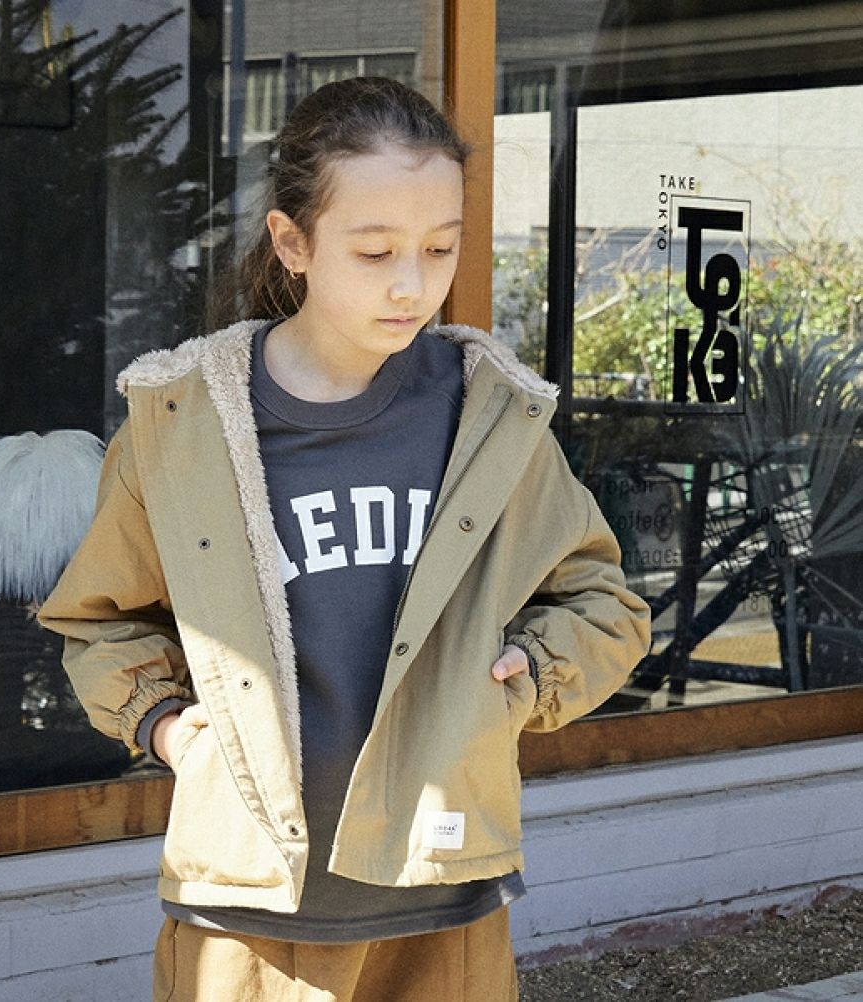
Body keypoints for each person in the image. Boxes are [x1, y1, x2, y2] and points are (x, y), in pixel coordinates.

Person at [37, 76, 651, 1002]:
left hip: (444, 899)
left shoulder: (490, 417)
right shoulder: (181, 422)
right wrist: (164, 725)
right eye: (375, 251)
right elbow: (99, 618)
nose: (413, 284)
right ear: (293, 242)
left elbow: (604, 602)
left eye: (440, 247)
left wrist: (528, 677)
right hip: (245, 913)